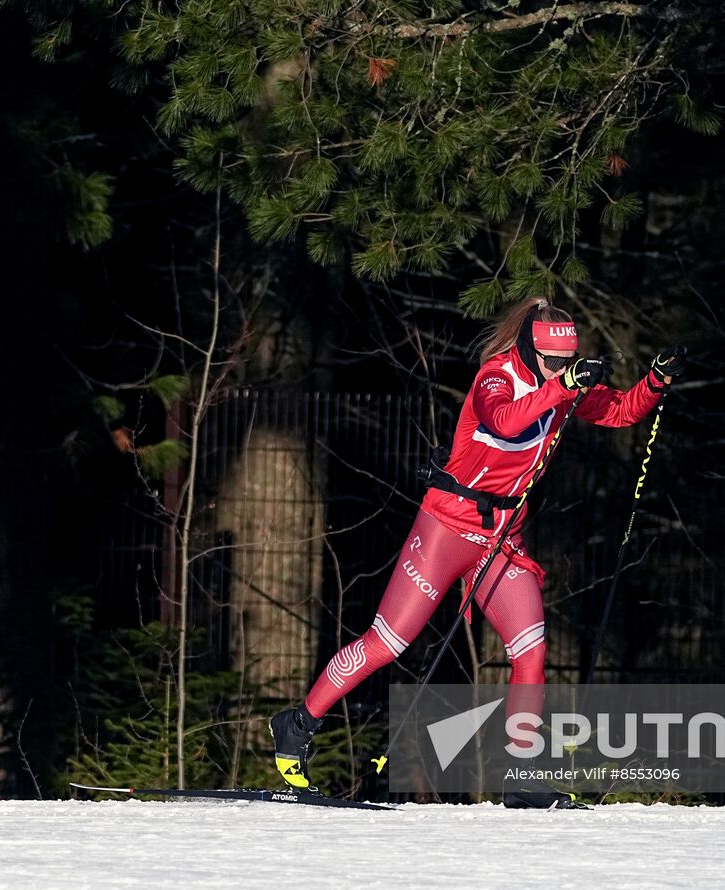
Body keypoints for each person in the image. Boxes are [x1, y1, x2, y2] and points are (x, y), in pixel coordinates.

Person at [270, 297, 686, 807]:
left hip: (502, 536)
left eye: (566, 361)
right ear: (532, 351)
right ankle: (298, 722)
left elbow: (621, 412)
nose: (559, 369)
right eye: (552, 362)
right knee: (388, 643)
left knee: (531, 651)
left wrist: (656, 381)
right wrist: (565, 383)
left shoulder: (564, 386)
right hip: (446, 527)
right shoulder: (498, 376)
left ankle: (522, 776)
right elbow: (506, 421)